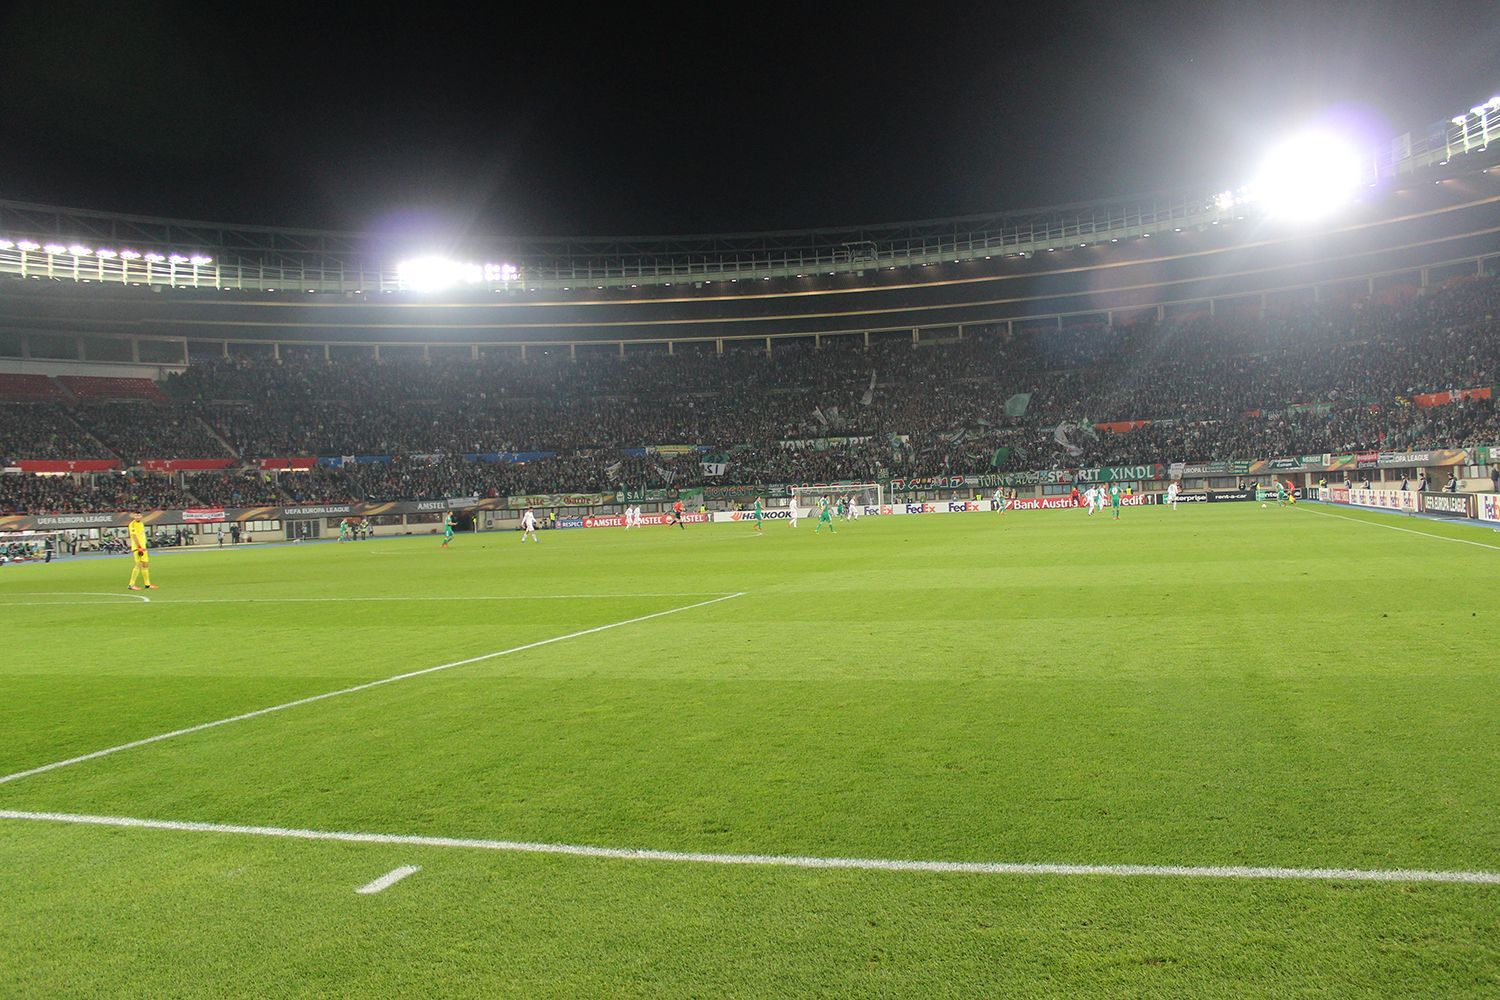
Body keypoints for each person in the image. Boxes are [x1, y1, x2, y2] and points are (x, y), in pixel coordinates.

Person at [127, 512, 156, 591]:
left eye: (139, 515)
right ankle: (131, 584)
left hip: (143, 548)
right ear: (134, 517)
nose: (137, 517)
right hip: (137, 548)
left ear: (141, 516)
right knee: (138, 565)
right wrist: (139, 547)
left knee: (145, 565)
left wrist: (143, 547)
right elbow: (134, 536)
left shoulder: (142, 524)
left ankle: (147, 584)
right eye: (136, 515)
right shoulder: (132, 524)